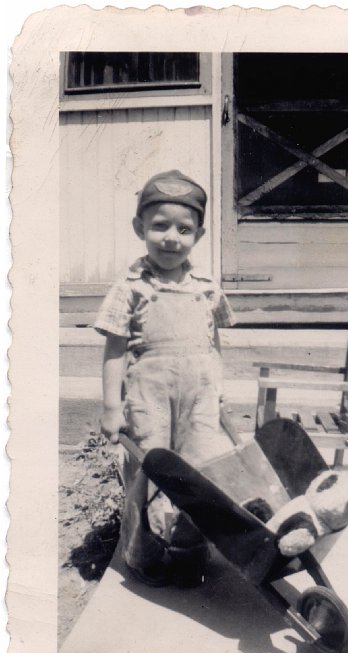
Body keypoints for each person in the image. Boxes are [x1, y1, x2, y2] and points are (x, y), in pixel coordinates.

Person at [94, 169, 235, 587]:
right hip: (149, 397)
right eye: (160, 226)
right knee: (153, 472)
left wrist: (219, 390)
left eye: (184, 229)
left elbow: (214, 343)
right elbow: (114, 350)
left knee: (204, 470)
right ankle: (145, 553)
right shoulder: (129, 289)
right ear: (140, 228)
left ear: (200, 234)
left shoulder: (208, 288)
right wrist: (110, 407)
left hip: (200, 397)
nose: (172, 237)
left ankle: (191, 550)